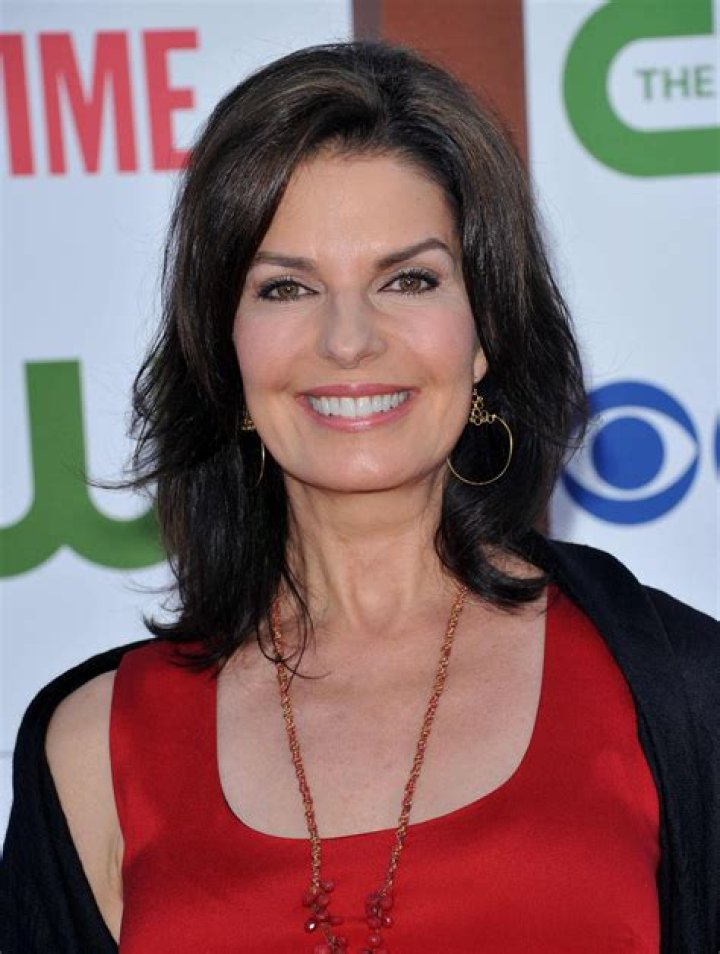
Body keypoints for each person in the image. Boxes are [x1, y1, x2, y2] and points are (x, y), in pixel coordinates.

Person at [1, 40, 717, 954]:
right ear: (224, 346)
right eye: (286, 286)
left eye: (408, 279)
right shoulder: (93, 749)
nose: (347, 340)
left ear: (483, 331)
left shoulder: (676, 692)